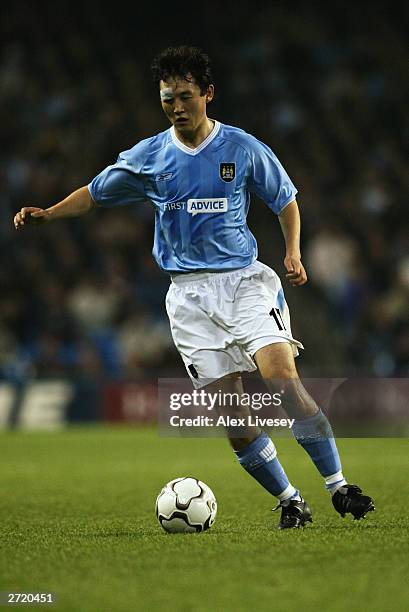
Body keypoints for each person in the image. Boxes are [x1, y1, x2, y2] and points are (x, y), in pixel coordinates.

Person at [14, 45, 374, 529]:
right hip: (187, 297)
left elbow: (286, 200)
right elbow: (95, 193)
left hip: (245, 283)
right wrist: (49, 213)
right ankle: (290, 500)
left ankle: (340, 488)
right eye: (167, 100)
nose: (176, 107)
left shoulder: (242, 148)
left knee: (282, 381)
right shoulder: (150, 155)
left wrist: (293, 251)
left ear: (208, 94)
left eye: (185, 96)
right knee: (236, 423)